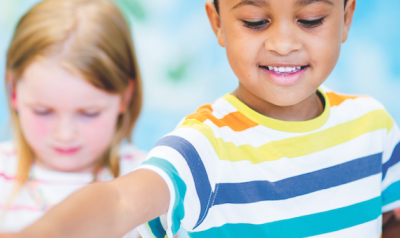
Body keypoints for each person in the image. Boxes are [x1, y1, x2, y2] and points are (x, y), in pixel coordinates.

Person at [2, 0, 400, 237]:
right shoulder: (203, 149)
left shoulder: (373, 127)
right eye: (255, 21)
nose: (283, 43)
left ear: (347, 16)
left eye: (311, 18)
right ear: (217, 23)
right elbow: (119, 200)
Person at [0, 0, 145, 237]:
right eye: (42, 111)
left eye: (89, 113)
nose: (64, 134)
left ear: (125, 97)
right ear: (14, 92)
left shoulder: (152, 181)